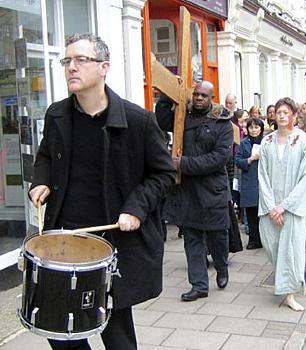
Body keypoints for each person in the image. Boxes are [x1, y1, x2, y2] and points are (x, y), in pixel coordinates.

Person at [29, 33, 176, 350]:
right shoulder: (56, 115)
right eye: (67, 61)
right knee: (61, 332)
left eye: (80, 60)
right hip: (64, 239)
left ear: (104, 67)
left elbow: (164, 173)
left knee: (117, 335)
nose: (71, 67)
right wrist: (40, 180)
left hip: (112, 242)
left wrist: (136, 208)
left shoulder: (138, 120)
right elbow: (44, 156)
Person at [162, 81, 234, 301]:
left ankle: (222, 268)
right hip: (189, 192)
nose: (199, 98)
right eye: (196, 95)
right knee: (192, 240)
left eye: (204, 95)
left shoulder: (222, 124)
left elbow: (219, 158)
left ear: (212, 98)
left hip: (213, 191)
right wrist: (167, 94)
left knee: (218, 238)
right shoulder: (184, 117)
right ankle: (199, 285)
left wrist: (183, 164)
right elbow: (162, 119)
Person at [258, 97, 306, 311]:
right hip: (270, 206)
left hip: (292, 207)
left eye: (285, 112)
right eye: (278, 112)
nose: (281, 116)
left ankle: (290, 293)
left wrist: (285, 206)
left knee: (291, 249)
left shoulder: (304, 141)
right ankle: (283, 282)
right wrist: (272, 206)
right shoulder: (267, 141)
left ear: (293, 115)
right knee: (272, 245)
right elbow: (262, 175)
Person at [235, 117, 265, 250]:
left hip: (263, 180)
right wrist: (250, 159)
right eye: (251, 127)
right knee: (251, 214)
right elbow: (238, 161)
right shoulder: (243, 143)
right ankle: (254, 240)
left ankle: (265, 239)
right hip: (249, 180)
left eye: (256, 127)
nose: (254, 130)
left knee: (265, 214)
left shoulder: (267, 141)